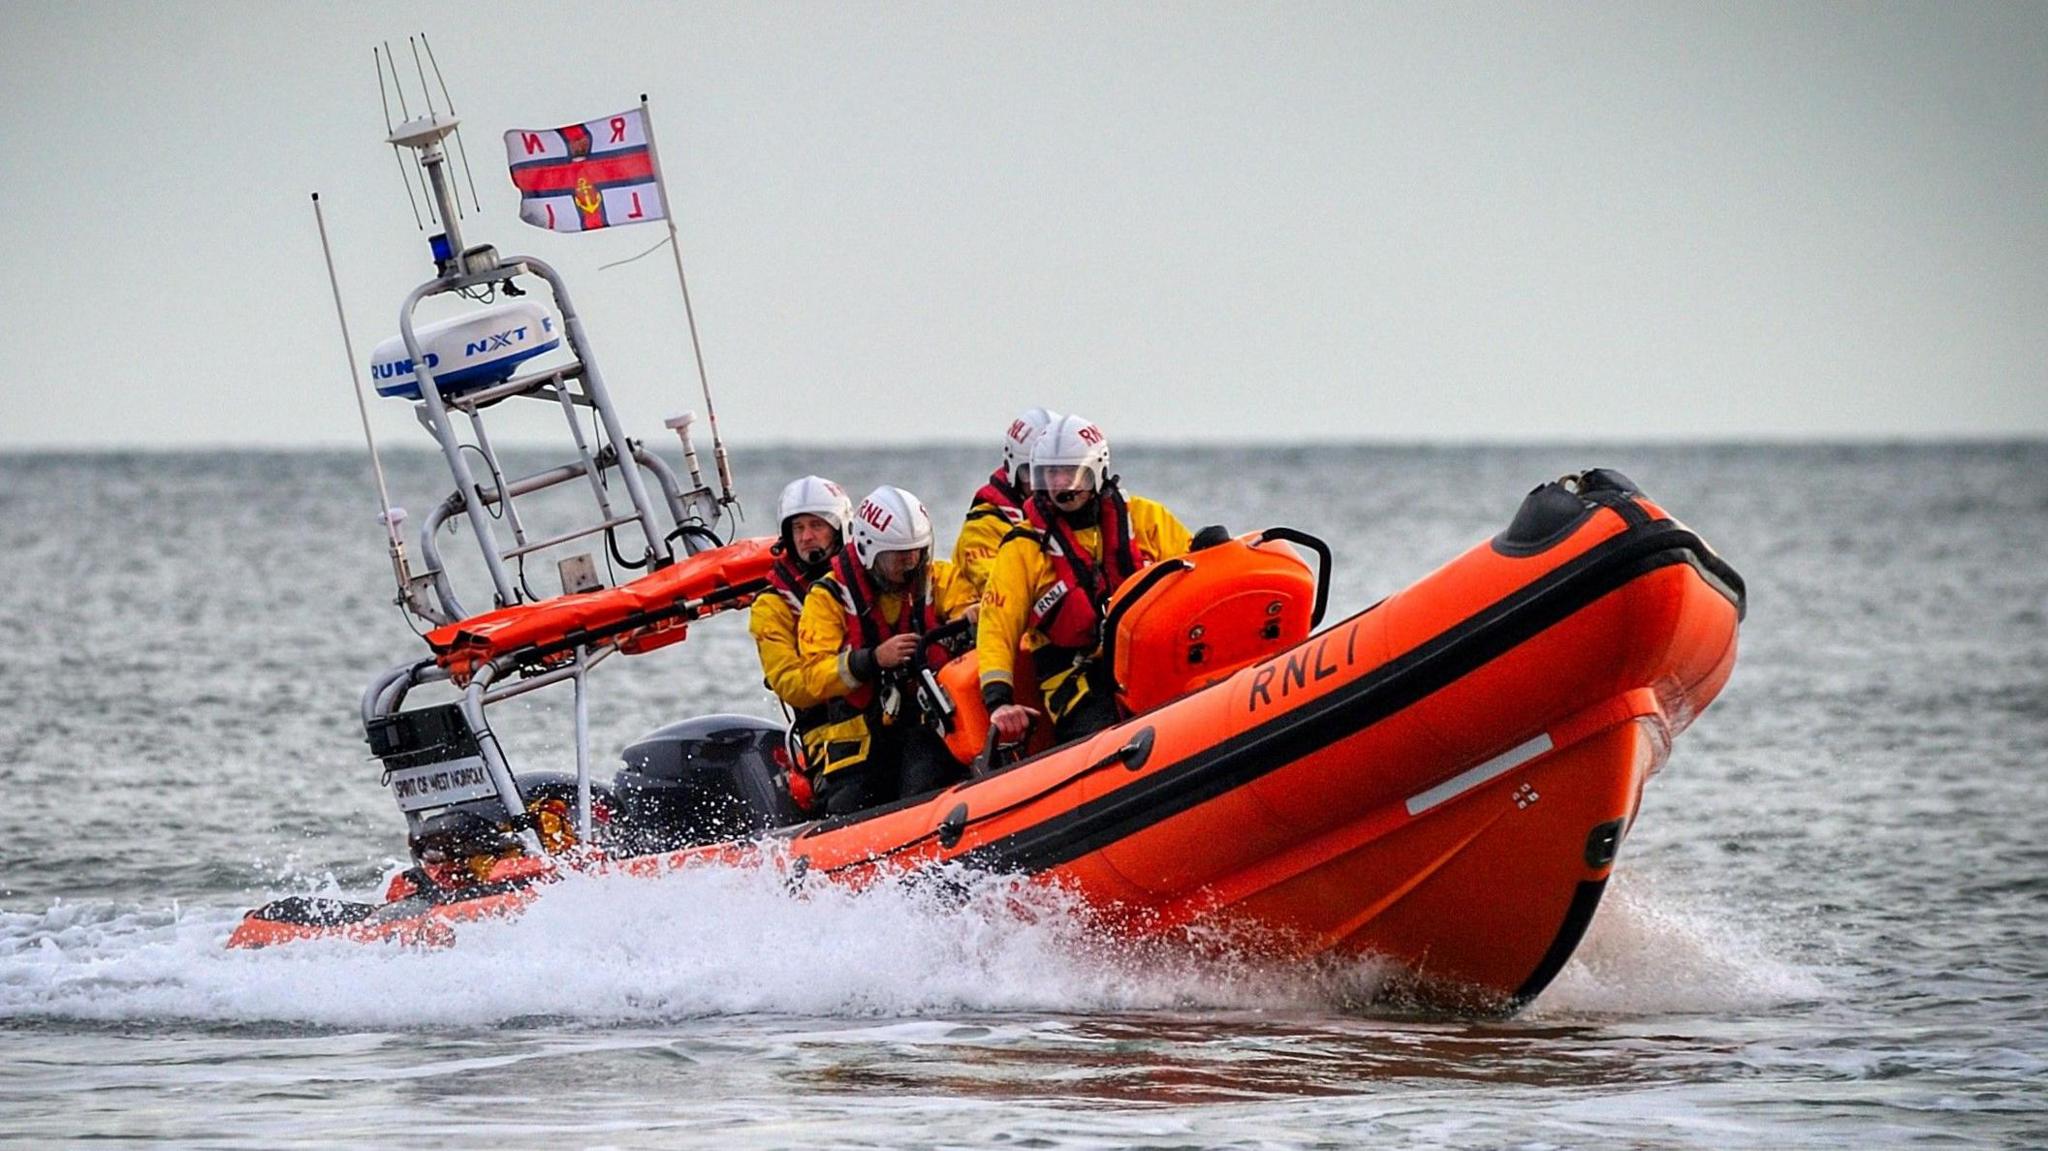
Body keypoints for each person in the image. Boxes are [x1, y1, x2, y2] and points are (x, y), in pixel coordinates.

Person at [977, 415, 1192, 747]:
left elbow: (1194, 569)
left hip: (1149, 660)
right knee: (1103, 733)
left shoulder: (1145, 519)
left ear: (1097, 470)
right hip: (1075, 682)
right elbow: (996, 626)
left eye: (1070, 472)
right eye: (1051, 474)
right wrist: (999, 700)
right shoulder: (1024, 546)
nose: (1062, 484)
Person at [796, 486, 980, 815]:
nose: (910, 563)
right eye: (898, 555)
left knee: (927, 774)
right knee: (851, 802)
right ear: (869, 552)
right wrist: (873, 659)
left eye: (916, 552)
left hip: (927, 721)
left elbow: (966, 603)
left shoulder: (936, 578)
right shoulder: (828, 598)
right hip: (860, 734)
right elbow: (812, 677)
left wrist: (970, 617)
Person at [749, 475, 853, 809]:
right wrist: (858, 666)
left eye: (816, 526)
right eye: (798, 529)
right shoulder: (772, 606)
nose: (807, 537)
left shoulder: (870, 578)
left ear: (840, 529)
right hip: (830, 737)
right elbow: (789, 683)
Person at [952, 407, 1062, 592]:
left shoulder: (1082, 517)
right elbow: (998, 590)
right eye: (1034, 473)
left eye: (1057, 472)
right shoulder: (983, 529)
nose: (1046, 485)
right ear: (1012, 470)